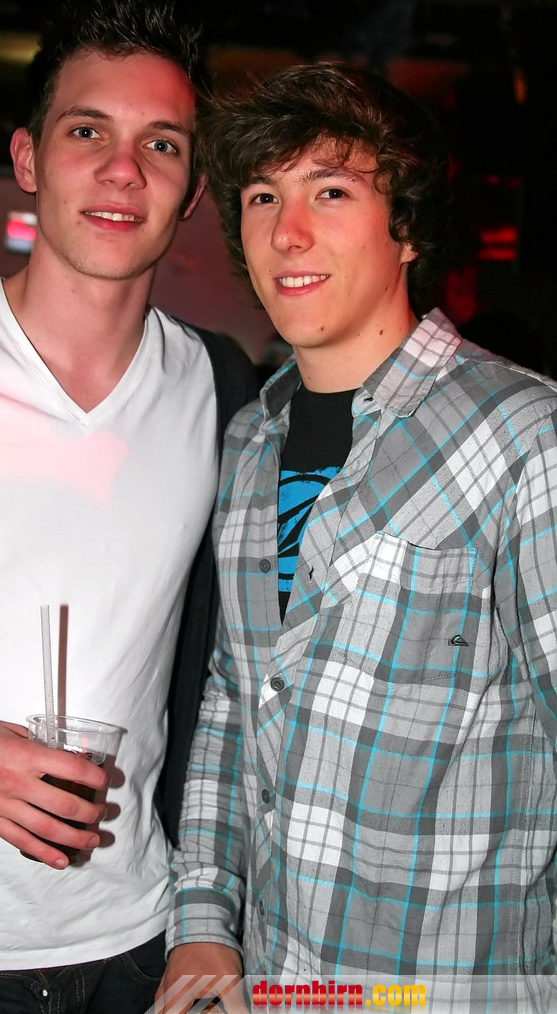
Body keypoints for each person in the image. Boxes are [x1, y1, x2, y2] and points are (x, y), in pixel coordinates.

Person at [0, 0, 257, 1012]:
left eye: (160, 144)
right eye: (88, 131)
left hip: (141, 947)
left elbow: (235, 670)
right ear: (29, 157)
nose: (123, 170)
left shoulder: (225, 390)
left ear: (191, 190)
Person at [158, 61, 557, 1012]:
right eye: (263, 196)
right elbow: (232, 697)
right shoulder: (249, 440)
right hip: (282, 986)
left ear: (406, 228)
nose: (286, 232)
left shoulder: (521, 435)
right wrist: (205, 919)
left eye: (330, 191)